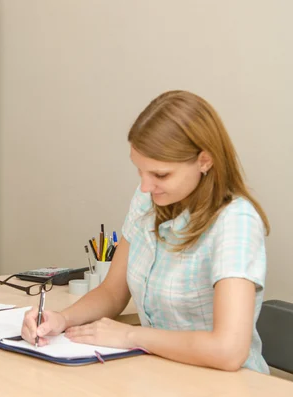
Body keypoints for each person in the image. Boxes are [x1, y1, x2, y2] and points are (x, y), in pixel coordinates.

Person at [22, 90, 270, 373]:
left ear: (205, 160)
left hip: (224, 383)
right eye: (140, 172)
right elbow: (113, 292)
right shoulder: (148, 200)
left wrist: (130, 336)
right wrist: (62, 319)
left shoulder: (235, 221)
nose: (145, 186)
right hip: (161, 371)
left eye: (160, 175)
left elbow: (228, 350)